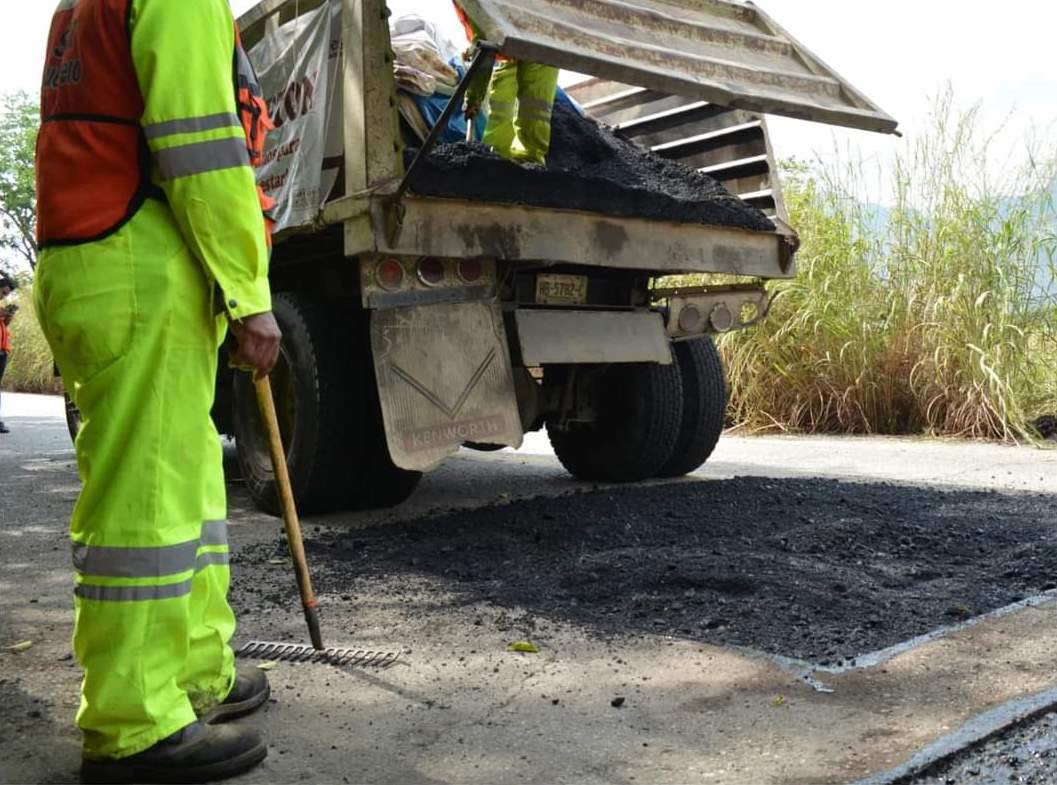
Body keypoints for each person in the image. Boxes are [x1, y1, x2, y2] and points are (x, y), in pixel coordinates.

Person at [33, 1, 281, 782]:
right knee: (145, 502)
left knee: (187, 478)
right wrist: (248, 290)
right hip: (137, 261)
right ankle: (133, 720)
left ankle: (197, 666)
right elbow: (202, 148)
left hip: (103, 256)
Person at [452, 2, 560, 166]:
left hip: (542, 41)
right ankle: (494, 156)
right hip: (512, 44)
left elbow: (483, 44)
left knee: (533, 107)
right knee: (500, 100)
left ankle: (531, 162)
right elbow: (485, 37)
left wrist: (473, 98)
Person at [0, 274, 15, 434]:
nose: (4, 297)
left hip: (2, 350)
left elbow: (4, 326)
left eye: (6, 295)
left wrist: (8, 318)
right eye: (3, 293)